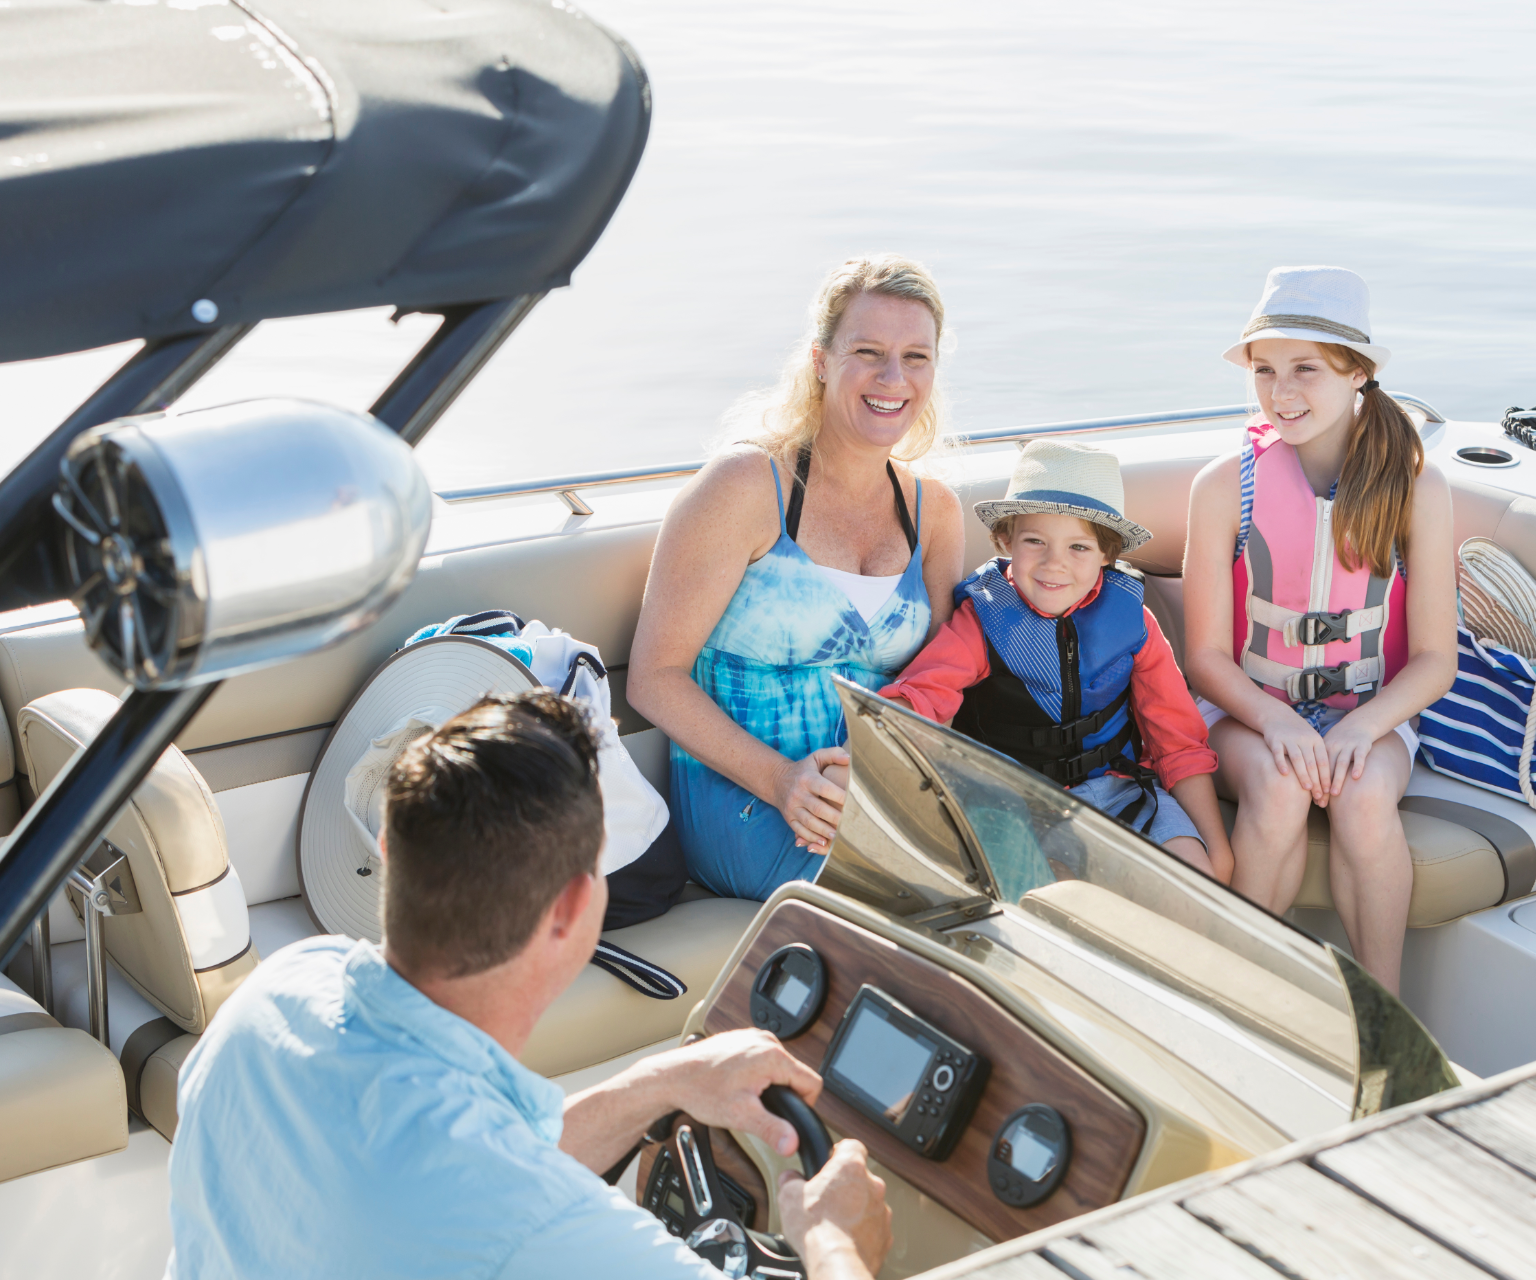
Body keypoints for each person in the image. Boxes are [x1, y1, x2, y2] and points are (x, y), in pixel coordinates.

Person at [166, 691, 892, 1280]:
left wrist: (658, 1084)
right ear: (577, 907)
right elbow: (500, 1195)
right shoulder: (543, 1229)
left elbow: (474, 1166)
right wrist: (836, 1247)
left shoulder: (276, 993)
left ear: (390, 852)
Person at [629, 255, 966, 901]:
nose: (893, 378)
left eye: (915, 357)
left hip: (880, 798)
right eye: (867, 351)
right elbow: (653, 678)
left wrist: (895, 789)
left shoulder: (935, 512)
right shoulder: (746, 487)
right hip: (750, 800)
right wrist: (786, 783)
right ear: (820, 360)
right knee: (936, 907)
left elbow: (938, 686)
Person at [1182, 266, 1456, 995]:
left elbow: (1434, 661)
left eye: (1306, 369)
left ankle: (1381, 1012)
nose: (1282, 392)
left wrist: (1361, 729)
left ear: (1357, 372)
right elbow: (1205, 657)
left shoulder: (1418, 487)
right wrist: (1277, 721)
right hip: (1243, 711)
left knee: (1364, 797)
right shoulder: (1221, 487)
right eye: (1265, 371)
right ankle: (1236, 996)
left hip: (1372, 715)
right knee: (1278, 785)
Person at [880, 440, 1234, 882]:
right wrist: (875, 741)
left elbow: (1178, 741)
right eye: (1035, 541)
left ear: (1107, 554)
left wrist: (1216, 847)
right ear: (1006, 539)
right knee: (1057, 899)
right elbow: (921, 696)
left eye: (1078, 548)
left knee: (1197, 880)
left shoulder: (1132, 621)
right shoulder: (983, 619)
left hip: (1120, 790)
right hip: (1013, 805)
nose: (1054, 564)